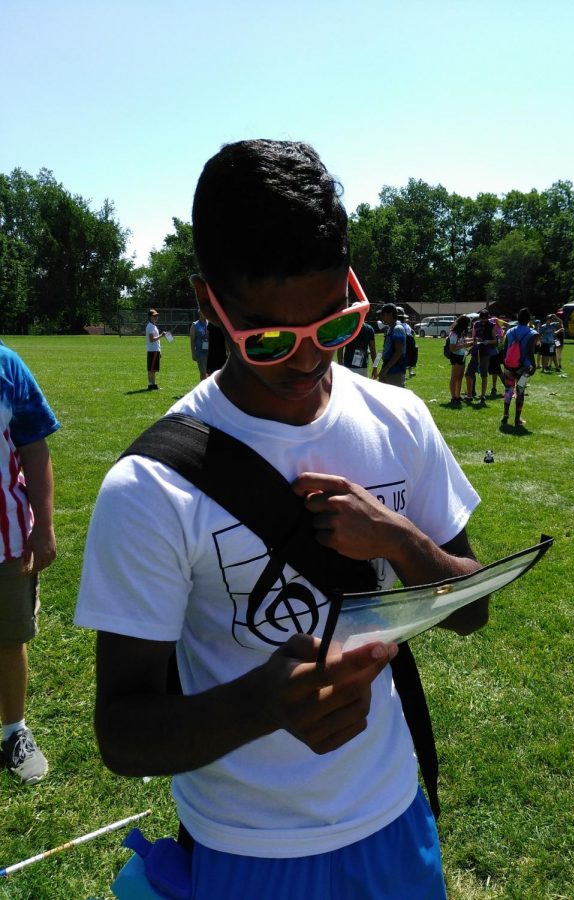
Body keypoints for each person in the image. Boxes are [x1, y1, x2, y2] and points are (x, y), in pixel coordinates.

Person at [75, 139, 489, 900]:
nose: (307, 364)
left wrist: (397, 539)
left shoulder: (398, 418)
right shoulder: (150, 486)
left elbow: (470, 612)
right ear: (209, 305)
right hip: (248, 852)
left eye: (335, 325)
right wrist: (261, 703)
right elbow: (122, 732)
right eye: (267, 340)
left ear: (353, 287)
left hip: (396, 818)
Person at [0, 345, 59, 784]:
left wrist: (44, 525)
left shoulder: (6, 365)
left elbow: (34, 449)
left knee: (9, 637)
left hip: (6, 540)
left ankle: (14, 730)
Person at [501, 307, 538, 427]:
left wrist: (505, 363)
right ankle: (517, 420)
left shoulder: (510, 332)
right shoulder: (532, 333)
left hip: (509, 366)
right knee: (520, 392)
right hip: (524, 369)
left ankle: (505, 414)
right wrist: (534, 366)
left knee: (508, 390)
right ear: (528, 320)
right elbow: (530, 352)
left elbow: (505, 349)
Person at [465, 309, 497, 405]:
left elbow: (495, 340)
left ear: (488, 318)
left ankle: (483, 397)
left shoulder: (492, 326)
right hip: (476, 351)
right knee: (468, 373)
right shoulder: (476, 324)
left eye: (485, 319)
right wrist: (474, 341)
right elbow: (474, 337)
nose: (483, 321)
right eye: (481, 319)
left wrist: (488, 341)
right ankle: (470, 395)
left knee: (484, 375)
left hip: (485, 353)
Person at [444, 315, 473, 405]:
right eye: (467, 324)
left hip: (462, 356)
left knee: (460, 377)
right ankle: (453, 397)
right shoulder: (454, 334)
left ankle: (458, 395)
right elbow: (452, 348)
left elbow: (462, 340)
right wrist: (465, 345)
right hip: (456, 356)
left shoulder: (461, 333)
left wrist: (473, 339)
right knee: (454, 377)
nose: (468, 326)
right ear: (463, 324)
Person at [378, 302, 407, 387]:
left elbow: (398, 352)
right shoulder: (390, 328)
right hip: (389, 369)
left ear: (390, 314)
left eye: (383, 315)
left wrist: (385, 370)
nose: (382, 318)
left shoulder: (397, 329)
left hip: (395, 371)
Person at [145, 309, 168, 390]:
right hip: (152, 350)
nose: (156, 317)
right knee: (151, 369)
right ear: (150, 317)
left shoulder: (153, 326)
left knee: (153, 369)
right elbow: (152, 339)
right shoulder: (150, 326)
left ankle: (153, 384)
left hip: (155, 350)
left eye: (157, 315)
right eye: (154, 316)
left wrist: (159, 351)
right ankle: (151, 385)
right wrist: (161, 335)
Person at [190, 310, 210, 380]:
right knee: (203, 372)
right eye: (202, 313)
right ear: (199, 314)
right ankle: (202, 387)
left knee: (210, 372)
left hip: (210, 351)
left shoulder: (210, 323)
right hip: (200, 352)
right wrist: (193, 353)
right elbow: (192, 341)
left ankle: (209, 388)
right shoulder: (195, 325)